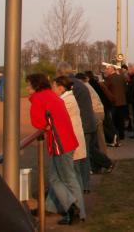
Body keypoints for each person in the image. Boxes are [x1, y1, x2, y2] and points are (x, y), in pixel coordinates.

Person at [27, 73, 84, 225]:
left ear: (36, 86)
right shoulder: (51, 96)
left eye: (29, 85)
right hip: (66, 140)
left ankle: (75, 209)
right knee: (58, 177)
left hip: (60, 143)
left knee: (64, 179)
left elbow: (38, 122)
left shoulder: (40, 98)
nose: (27, 88)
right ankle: (53, 208)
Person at [56, 62, 96, 194]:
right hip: (87, 122)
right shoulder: (78, 83)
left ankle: (82, 186)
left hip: (82, 125)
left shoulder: (71, 85)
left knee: (80, 159)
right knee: (84, 156)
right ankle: (84, 185)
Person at [51, 77, 88, 194]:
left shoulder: (66, 101)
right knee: (71, 173)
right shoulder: (67, 98)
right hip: (72, 139)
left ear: (61, 88)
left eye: (54, 87)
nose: (52, 89)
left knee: (72, 174)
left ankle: (77, 200)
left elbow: (53, 117)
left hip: (70, 141)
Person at [75, 73, 113, 175]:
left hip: (95, 114)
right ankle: (100, 165)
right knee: (95, 142)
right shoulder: (87, 86)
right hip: (97, 112)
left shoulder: (82, 87)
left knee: (95, 144)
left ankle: (106, 162)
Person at [102, 64, 128, 143]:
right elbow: (125, 88)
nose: (106, 71)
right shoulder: (121, 77)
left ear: (111, 70)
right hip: (122, 101)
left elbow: (105, 89)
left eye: (107, 69)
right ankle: (122, 134)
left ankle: (115, 136)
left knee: (113, 120)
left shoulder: (109, 78)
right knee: (121, 120)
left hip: (113, 102)